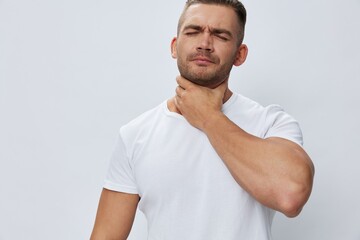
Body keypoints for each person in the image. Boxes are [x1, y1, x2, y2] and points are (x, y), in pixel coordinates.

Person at [90, 0, 315, 239]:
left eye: (220, 35)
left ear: (240, 54)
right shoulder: (135, 134)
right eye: (193, 31)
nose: (205, 43)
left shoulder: (269, 123)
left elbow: (291, 195)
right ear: (175, 46)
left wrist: (208, 117)